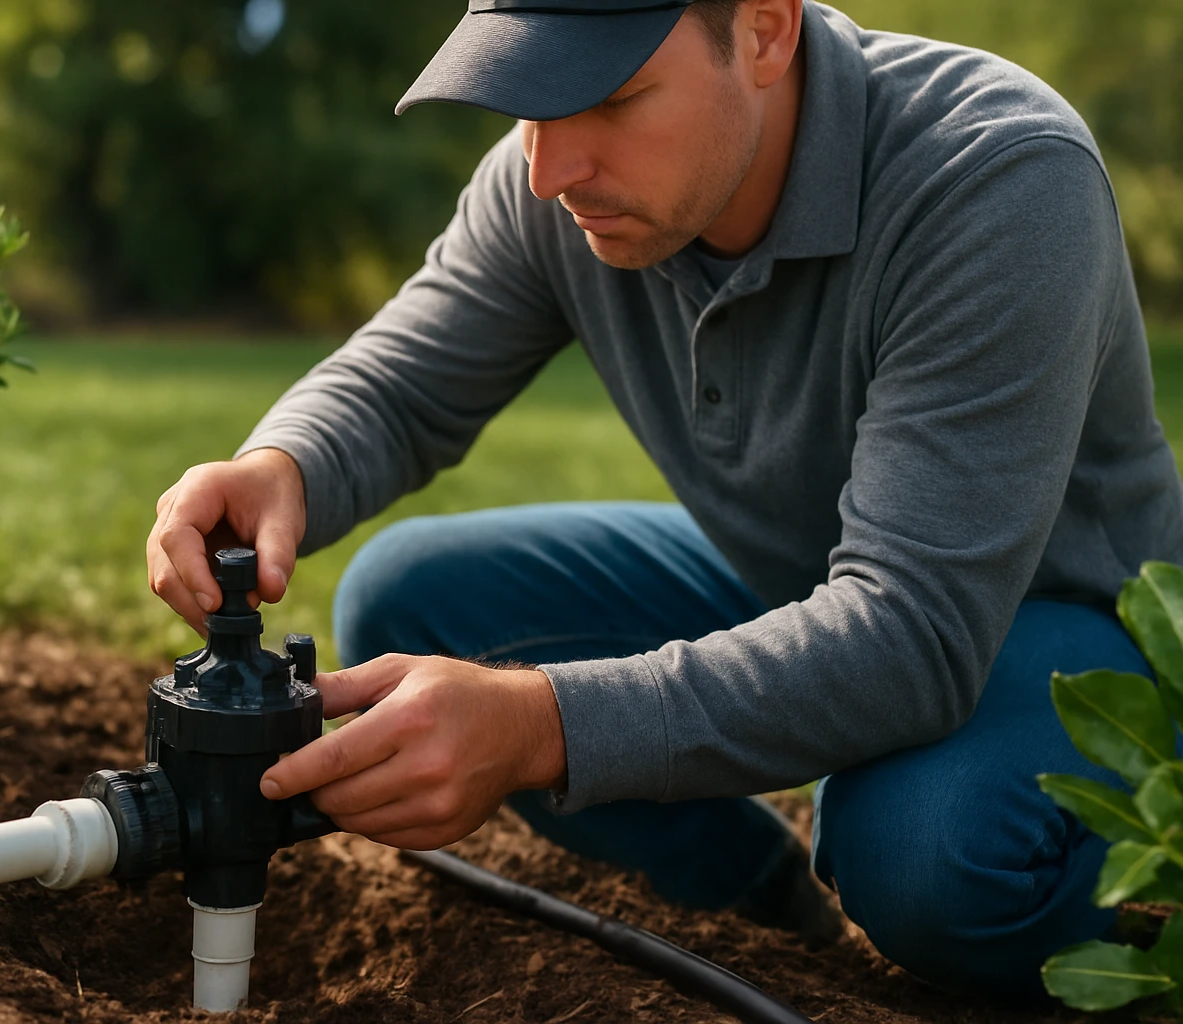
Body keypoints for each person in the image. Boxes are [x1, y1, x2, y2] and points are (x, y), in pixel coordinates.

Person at [145, 0, 1183, 994]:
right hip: (810, 574)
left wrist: (542, 726)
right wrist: (281, 465)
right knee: (412, 600)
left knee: (924, 847)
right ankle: (768, 912)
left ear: (765, 29)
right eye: (528, 100)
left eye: (611, 97)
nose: (550, 170)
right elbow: (401, 386)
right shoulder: (559, 184)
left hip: (1074, 626)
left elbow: (913, 631)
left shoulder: (997, 177)